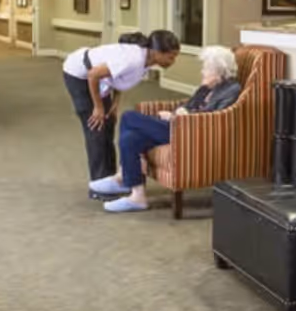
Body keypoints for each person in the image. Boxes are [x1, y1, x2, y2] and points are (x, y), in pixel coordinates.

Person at [89, 45, 242, 213]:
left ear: (219, 70)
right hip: (179, 126)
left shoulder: (231, 90)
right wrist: (174, 113)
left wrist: (177, 117)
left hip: (191, 133)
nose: (203, 71)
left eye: (206, 68)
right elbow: (189, 106)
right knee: (131, 138)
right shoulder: (206, 87)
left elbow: (213, 118)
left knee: (129, 117)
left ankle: (122, 177)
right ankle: (137, 196)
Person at [62, 30, 180, 199]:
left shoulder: (145, 61)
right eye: (170, 56)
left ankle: (110, 180)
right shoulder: (133, 59)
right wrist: (98, 107)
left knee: (108, 124)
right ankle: (98, 187)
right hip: (79, 73)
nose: (173, 61)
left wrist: (114, 103)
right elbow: (93, 74)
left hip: (99, 78)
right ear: (156, 52)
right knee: (96, 129)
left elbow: (119, 78)